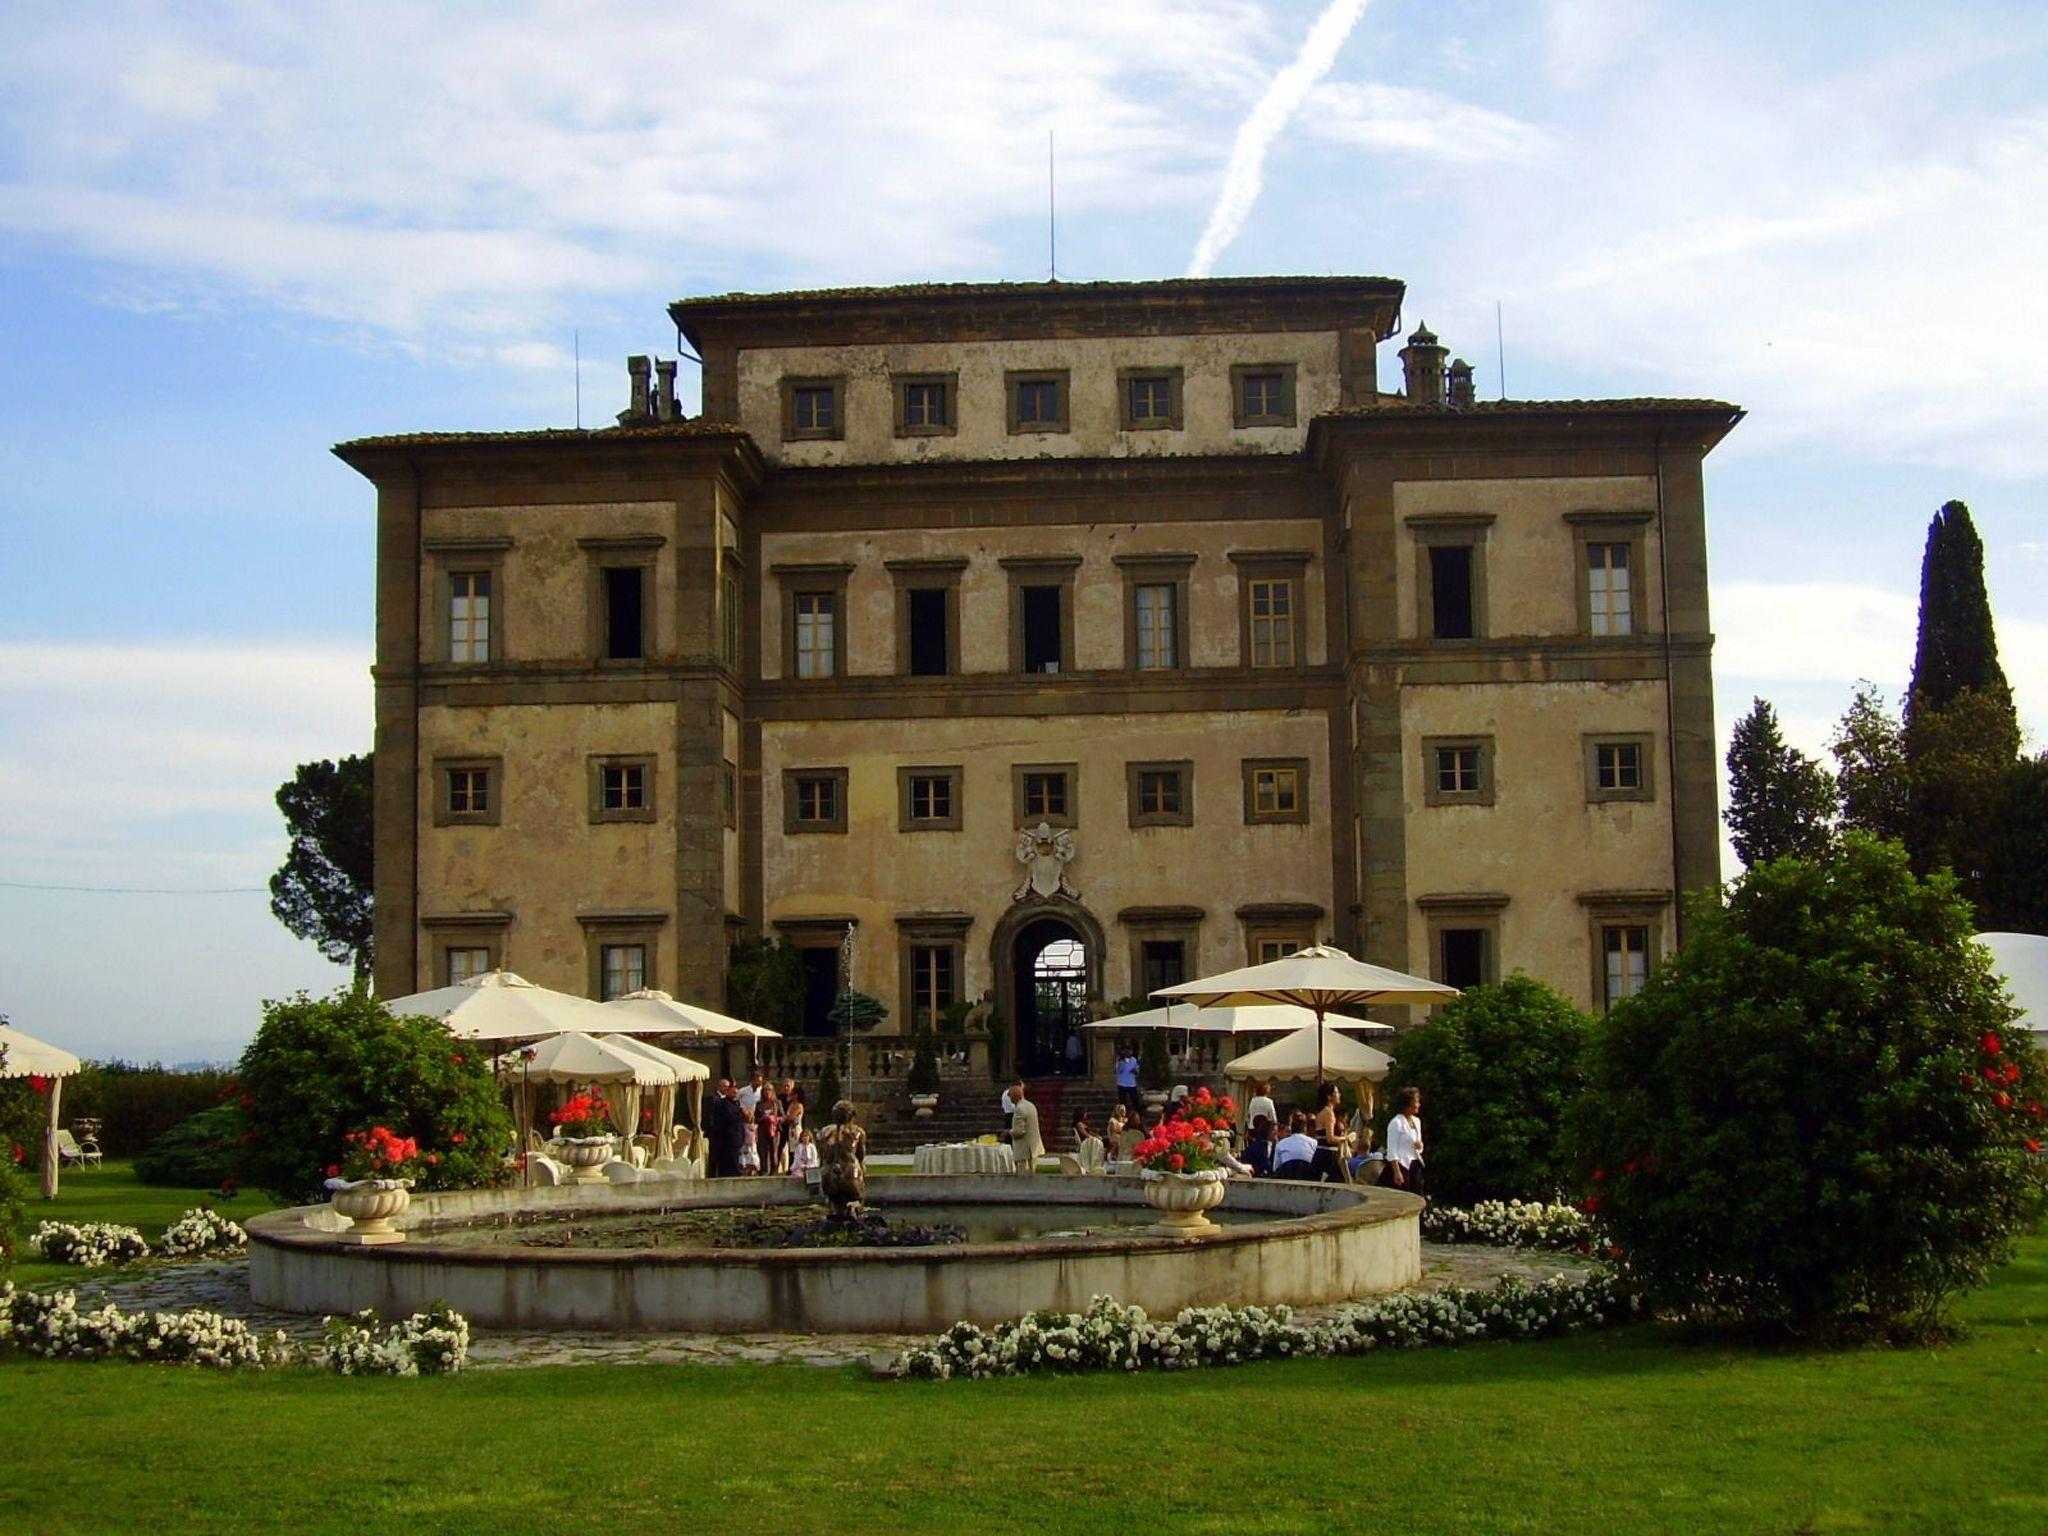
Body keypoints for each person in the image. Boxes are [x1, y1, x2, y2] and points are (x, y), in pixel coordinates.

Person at [1383, 1086, 1426, 1199]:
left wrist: (1420, 1146)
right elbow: (1391, 1150)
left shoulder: (1417, 1121)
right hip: (1402, 1165)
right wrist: (1397, 1172)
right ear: (1408, 1104)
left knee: (1418, 1196)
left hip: (1415, 1165)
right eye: (1416, 1102)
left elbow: (1419, 1144)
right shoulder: (1396, 1123)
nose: (1418, 1105)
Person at [705, 1078, 746, 1179]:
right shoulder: (721, 1103)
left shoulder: (735, 1104)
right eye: (733, 1092)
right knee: (727, 1163)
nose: (735, 1095)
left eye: (736, 1093)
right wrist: (741, 1112)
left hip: (736, 1138)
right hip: (726, 1138)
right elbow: (730, 1117)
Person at [1008, 1079, 1044, 1176]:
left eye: (1010, 1094)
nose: (1008, 1096)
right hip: (1033, 1149)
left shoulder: (1019, 1109)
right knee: (1033, 1177)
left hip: (1024, 1152)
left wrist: (1008, 1132)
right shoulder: (1030, 1105)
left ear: (1015, 1096)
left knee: (1023, 1178)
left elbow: (1019, 1131)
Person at [1272, 1112, 1320, 1179]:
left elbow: (1275, 1168)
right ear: (1305, 1129)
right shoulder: (1314, 1143)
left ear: (1291, 1129)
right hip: (1307, 1178)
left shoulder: (1280, 1144)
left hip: (1286, 1177)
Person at [1114, 1047, 1142, 1114]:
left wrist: (1135, 1071)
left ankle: (1138, 1114)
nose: (1129, 1052)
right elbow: (1118, 1070)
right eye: (1127, 1051)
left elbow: (1137, 1070)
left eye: (1130, 1051)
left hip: (1131, 1083)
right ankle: (1123, 1114)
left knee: (1135, 1100)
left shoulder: (1134, 1060)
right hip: (1122, 1083)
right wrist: (1122, 1062)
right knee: (1123, 1101)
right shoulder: (1120, 1061)